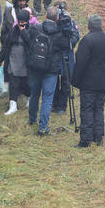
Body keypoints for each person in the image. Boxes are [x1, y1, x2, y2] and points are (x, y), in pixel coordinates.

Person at [72, 14, 105, 148]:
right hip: (102, 82)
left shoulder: (87, 40)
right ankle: (98, 137)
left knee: (87, 110)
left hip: (88, 83)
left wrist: (75, 81)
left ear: (89, 26)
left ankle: (85, 140)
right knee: (99, 109)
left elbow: (81, 63)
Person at [29, 7, 69, 136]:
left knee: (34, 94)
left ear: (45, 16)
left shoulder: (36, 29)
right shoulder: (59, 33)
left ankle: (32, 118)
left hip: (35, 67)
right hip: (51, 70)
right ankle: (43, 127)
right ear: (57, 18)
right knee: (47, 98)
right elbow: (69, 44)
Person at [0, 9, 34, 115]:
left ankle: (29, 99)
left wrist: (23, 32)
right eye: (20, 21)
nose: (21, 24)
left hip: (26, 63)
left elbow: (31, 43)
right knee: (13, 84)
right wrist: (0, 59)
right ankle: (13, 105)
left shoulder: (32, 30)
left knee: (26, 84)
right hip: (13, 62)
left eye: (23, 22)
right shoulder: (13, 30)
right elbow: (6, 46)